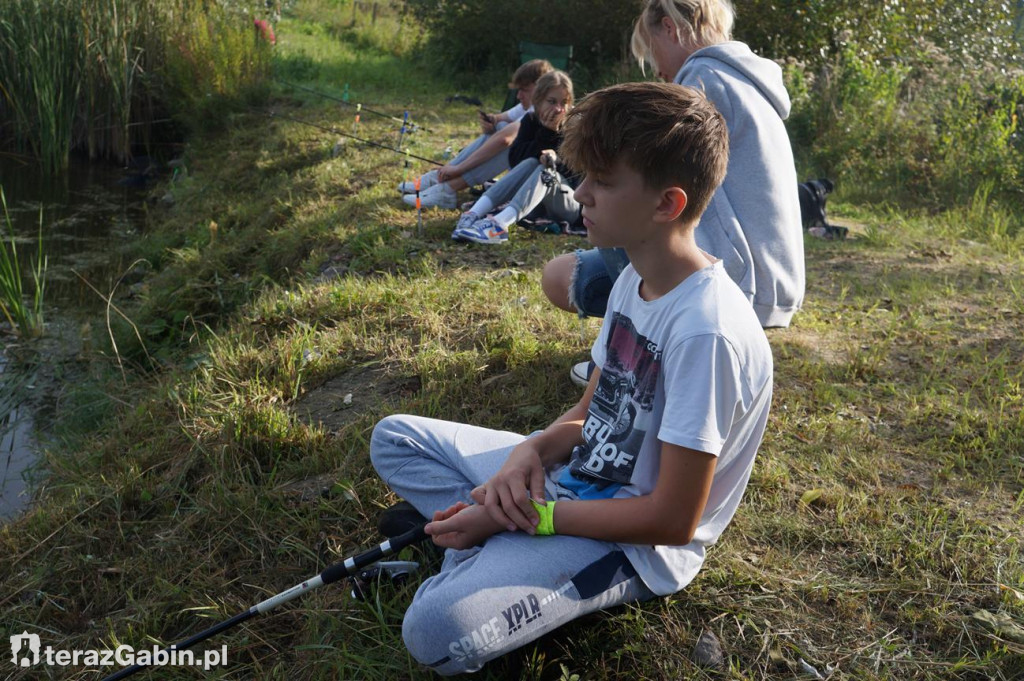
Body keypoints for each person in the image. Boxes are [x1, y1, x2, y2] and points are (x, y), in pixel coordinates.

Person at [370, 81, 773, 675]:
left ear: (668, 204)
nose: (579, 193)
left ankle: (481, 551)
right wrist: (528, 454)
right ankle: (484, 545)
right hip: (572, 480)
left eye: (603, 182)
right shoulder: (633, 284)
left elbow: (672, 519)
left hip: (629, 542)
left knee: (433, 633)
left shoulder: (705, 333)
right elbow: (591, 414)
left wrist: (529, 517)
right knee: (395, 438)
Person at [542, 0, 804, 383]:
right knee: (561, 274)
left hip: (734, 282)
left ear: (671, 28)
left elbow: (643, 181)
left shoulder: (701, 79)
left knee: (596, 251)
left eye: (651, 51)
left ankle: (634, 359)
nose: (657, 68)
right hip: (771, 280)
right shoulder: (748, 81)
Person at [399, 60, 554, 210]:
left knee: (508, 141)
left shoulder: (542, 109)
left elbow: (504, 139)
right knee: (500, 127)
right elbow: (500, 119)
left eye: (524, 90)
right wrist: (491, 122)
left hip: (546, 178)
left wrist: (459, 169)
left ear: (540, 87)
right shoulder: (532, 105)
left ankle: (449, 187)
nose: (519, 96)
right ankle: (441, 177)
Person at [450, 70, 576, 244]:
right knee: (532, 162)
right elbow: (515, 159)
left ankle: (500, 225)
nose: (558, 109)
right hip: (535, 201)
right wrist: (545, 134)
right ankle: (473, 214)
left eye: (564, 103)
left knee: (544, 170)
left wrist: (553, 156)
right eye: (552, 102)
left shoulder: (573, 126)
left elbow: (575, 173)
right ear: (538, 101)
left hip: (569, 203)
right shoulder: (531, 120)